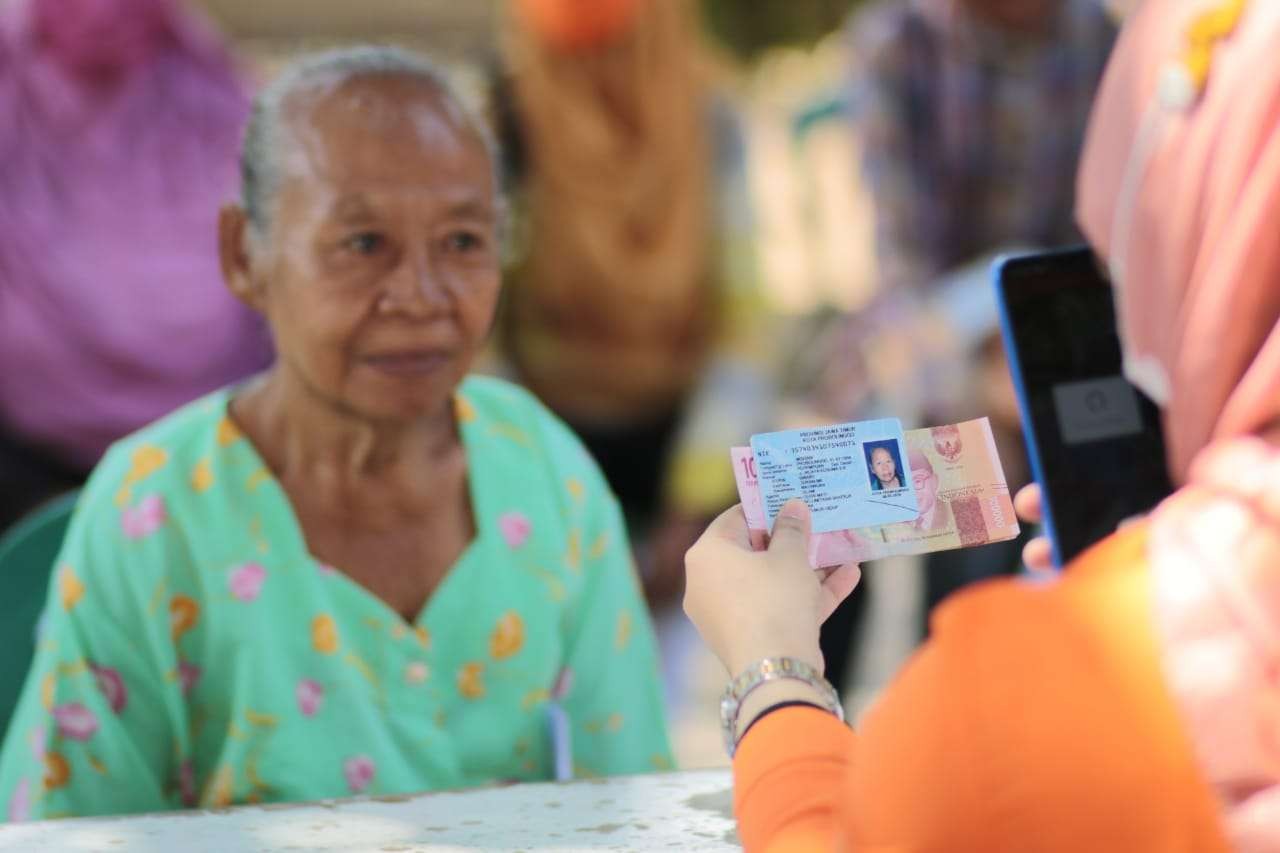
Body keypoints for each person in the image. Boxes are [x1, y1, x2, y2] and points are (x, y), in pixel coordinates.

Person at [0, 46, 672, 821]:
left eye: (462, 241)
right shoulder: (155, 509)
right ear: (243, 255)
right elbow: (71, 830)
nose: (420, 296)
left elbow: (632, 797)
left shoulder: (544, 470)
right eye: (362, 244)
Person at [683, 0, 1280, 848]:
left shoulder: (1001, 704)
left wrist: (772, 667)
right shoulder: (904, 44)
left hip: (1044, 381)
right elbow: (906, 267)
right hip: (950, 357)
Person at [0, 0, 272, 533]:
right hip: (24, 458)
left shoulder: (205, 87)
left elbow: (276, 232)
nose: (102, 14)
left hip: (208, 468)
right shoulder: (13, 84)